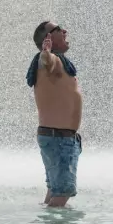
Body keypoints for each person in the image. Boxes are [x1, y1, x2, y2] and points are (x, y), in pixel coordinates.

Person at [26, 21, 82, 207]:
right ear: (48, 38)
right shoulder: (52, 61)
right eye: (59, 29)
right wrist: (46, 52)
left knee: (54, 190)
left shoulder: (60, 62)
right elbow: (46, 61)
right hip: (58, 139)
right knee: (62, 193)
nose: (65, 31)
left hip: (56, 137)